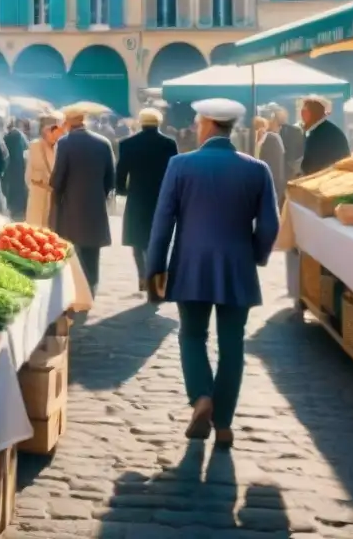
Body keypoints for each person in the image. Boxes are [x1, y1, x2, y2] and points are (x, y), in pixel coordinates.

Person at [144, 98, 280, 448]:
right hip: (237, 266)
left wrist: (155, 267)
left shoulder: (180, 165)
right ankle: (224, 425)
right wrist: (256, 256)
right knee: (232, 344)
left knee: (192, 335)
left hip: (190, 265)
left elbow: (162, 224)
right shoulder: (256, 168)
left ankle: (202, 397)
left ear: (206, 123)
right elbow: (269, 225)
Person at [50, 108, 115, 289]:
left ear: (68, 122)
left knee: (71, 245)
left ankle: (75, 286)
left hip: (71, 204)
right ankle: (92, 281)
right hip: (95, 203)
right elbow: (111, 177)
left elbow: (58, 178)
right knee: (92, 248)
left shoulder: (65, 143)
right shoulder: (103, 142)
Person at [115, 108, 177, 291]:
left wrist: (122, 190)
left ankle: (142, 276)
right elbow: (174, 172)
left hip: (137, 197)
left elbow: (121, 171)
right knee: (158, 239)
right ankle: (157, 277)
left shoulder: (128, 143)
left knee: (137, 239)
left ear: (140, 122)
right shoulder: (169, 143)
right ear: (159, 122)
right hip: (161, 197)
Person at [25, 115, 63, 227]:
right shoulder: (35, 146)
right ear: (45, 131)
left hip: (54, 197)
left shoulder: (60, 146)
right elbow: (30, 175)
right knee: (36, 227)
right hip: (38, 195)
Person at [299, 97, 351, 176]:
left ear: (314, 113)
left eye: (304, 112)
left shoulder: (325, 134)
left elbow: (314, 165)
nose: (301, 116)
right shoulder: (320, 130)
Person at [253, 116, 286, 202]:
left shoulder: (273, 139)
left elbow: (276, 166)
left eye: (262, 126)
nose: (259, 130)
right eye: (256, 128)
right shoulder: (254, 141)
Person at [3, 120, 29, 220]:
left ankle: (13, 211)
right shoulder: (21, 136)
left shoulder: (7, 137)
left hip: (10, 169)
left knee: (12, 192)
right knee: (20, 190)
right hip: (21, 169)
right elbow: (27, 153)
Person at [271, 107, 304, 179]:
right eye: (279, 116)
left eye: (284, 116)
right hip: (275, 166)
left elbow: (301, 148)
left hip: (290, 166)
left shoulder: (295, 131)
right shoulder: (269, 132)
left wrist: (293, 164)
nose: (283, 118)